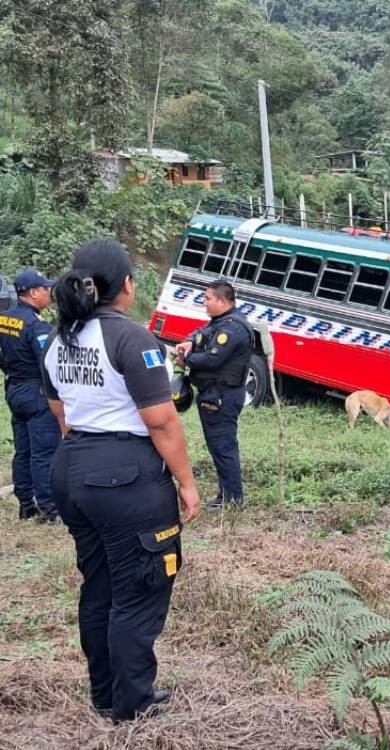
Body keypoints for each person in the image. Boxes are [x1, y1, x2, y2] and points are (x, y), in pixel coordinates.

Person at [41, 239, 200, 722]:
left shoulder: (58, 338)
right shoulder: (132, 338)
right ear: (126, 286)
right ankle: (132, 704)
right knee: (142, 586)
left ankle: (105, 694)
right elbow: (161, 420)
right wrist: (187, 483)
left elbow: (60, 413)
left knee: (101, 586)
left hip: (73, 468)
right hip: (125, 477)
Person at [173, 281, 252, 509]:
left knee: (223, 446)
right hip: (213, 394)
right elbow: (202, 332)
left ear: (222, 301)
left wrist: (185, 359)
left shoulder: (233, 329)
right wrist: (189, 341)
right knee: (218, 446)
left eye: (207, 298)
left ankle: (232, 499)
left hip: (223, 396)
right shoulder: (221, 322)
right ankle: (227, 494)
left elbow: (211, 359)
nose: (204, 302)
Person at [0, 269, 61, 522]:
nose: (49, 293)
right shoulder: (37, 326)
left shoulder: (4, 319)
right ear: (34, 293)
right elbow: (47, 362)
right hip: (36, 391)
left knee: (22, 449)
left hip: (14, 388)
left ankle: (26, 504)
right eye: (46, 289)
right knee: (44, 451)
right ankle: (48, 509)